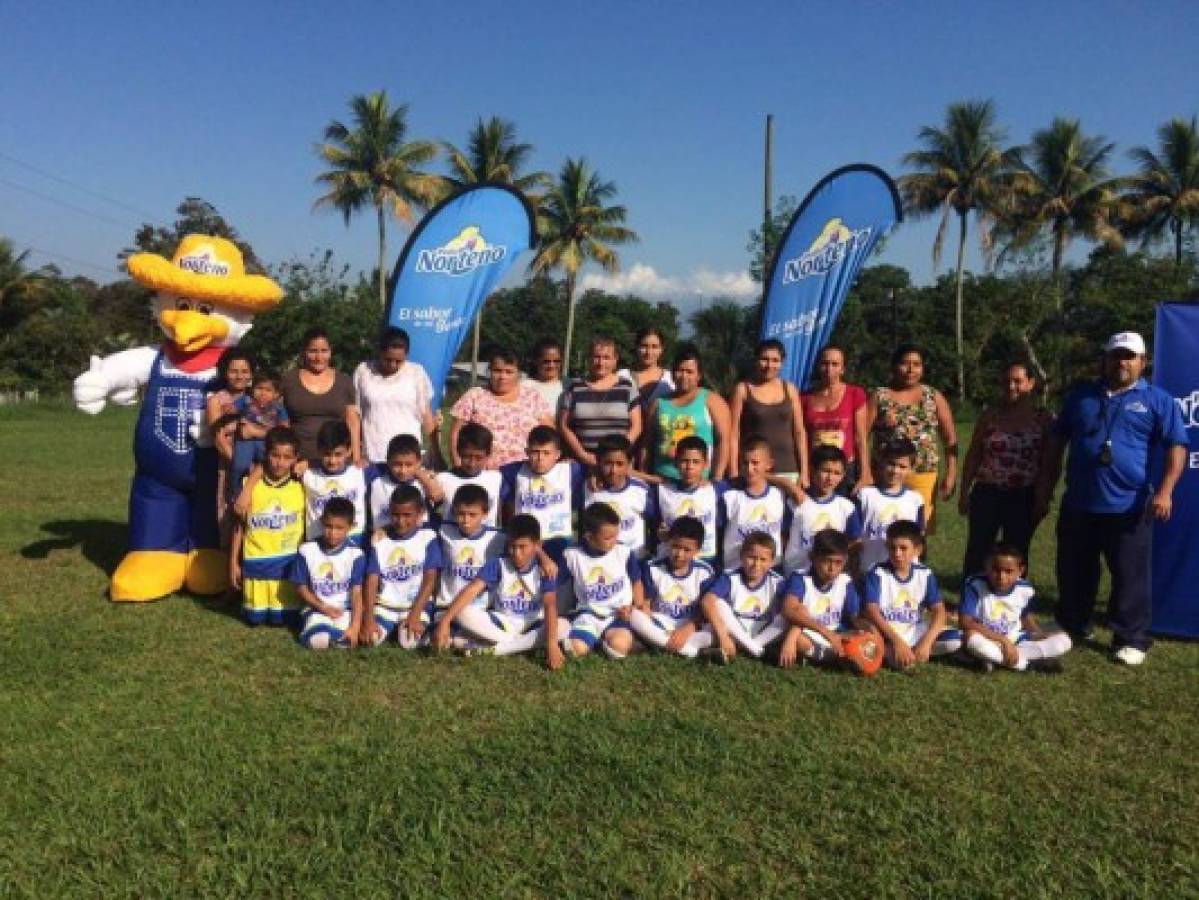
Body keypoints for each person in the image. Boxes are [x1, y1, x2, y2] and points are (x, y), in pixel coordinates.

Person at [1035, 331, 1187, 666]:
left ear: (1143, 362)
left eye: (1129, 356)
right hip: (1080, 502)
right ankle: (1073, 623)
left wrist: (1165, 492)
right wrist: (1046, 488)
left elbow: (1177, 446)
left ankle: (1131, 637)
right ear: (1104, 359)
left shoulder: (1158, 400)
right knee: (1074, 570)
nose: (1122, 362)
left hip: (1129, 507)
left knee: (1129, 576)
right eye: (1116, 355)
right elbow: (1057, 443)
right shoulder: (1081, 398)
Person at [432, 514, 565, 669]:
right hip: (503, 623)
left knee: (563, 626)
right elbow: (471, 589)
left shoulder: (545, 568)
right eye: (512, 546)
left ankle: (492, 650)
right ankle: (521, 644)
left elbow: (550, 605)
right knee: (462, 613)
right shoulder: (498, 564)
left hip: (534, 623)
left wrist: (552, 644)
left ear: (537, 545)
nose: (516, 553)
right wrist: (445, 621)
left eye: (522, 547)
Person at [958, 362, 1053, 577]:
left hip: (1023, 495)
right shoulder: (989, 416)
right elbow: (973, 455)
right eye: (1006, 381)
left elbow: (1048, 463)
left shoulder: (1043, 419)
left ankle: (1013, 602)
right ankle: (972, 598)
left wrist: (1043, 497)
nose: (1011, 386)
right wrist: (964, 492)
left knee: (1017, 550)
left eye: (1017, 381)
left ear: (1030, 383)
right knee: (978, 548)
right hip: (987, 492)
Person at [867, 345, 957, 532]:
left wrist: (951, 474)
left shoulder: (933, 396)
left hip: (923, 474)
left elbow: (950, 439)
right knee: (884, 525)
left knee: (918, 531)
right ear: (894, 366)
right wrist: (866, 471)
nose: (910, 370)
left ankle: (917, 562)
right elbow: (861, 436)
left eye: (916, 364)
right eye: (904, 364)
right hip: (886, 474)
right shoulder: (880, 396)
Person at [405, 484, 506, 646]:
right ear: (453, 512)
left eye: (473, 515)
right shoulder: (444, 529)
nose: (466, 520)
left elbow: (527, 541)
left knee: (462, 626)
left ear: (485, 514)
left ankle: (466, 638)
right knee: (418, 643)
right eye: (461, 514)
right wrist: (384, 530)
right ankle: (462, 638)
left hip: (478, 610)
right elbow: (407, 526)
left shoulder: (498, 537)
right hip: (445, 605)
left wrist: (544, 559)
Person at [228, 426, 305, 627]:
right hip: (256, 567)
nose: (280, 463)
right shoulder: (249, 486)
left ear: (296, 458)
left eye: (287, 457)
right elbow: (239, 527)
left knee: (283, 620)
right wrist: (233, 562)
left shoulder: (302, 485)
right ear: (266, 454)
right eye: (275, 455)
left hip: (286, 568)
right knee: (255, 619)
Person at [859, 521, 961, 670]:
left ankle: (916, 652)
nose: (897, 553)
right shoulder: (876, 573)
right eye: (892, 548)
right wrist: (897, 642)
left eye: (903, 548)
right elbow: (871, 611)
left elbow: (939, 610)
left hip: (916, 631)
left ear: (917, 550)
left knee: (957, 640)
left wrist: (927, 641)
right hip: (887, 634)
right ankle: (899, 654)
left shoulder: (924, 574)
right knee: (893, 657)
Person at [959, 543, 1072, 674]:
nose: (1001, 576)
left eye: (1008, 571)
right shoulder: (975, 584)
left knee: (1064, 641)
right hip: (986, 638)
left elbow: (1024, 616)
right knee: (972, 640)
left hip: (1016, 641)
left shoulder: (1025, 589)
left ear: (1020, 571)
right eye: (996, 570)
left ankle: (991, 659)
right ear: (987, 566)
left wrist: (1038, 634)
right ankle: (1027, 665)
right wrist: (1003, 641)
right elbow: (966, 622)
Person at [558, 503, 645, 660]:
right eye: (608, 538)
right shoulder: (571, 555)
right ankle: (592, 639)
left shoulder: (624, 552)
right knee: (575, 650)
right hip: (588, 615)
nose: (614, 541)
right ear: (589, 536)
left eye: (616, 535)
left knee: (619, 647)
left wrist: (635, 607)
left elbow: (636, 581)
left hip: (618, 615)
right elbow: (558, 587)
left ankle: (612, 639)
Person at [361, 485, 442, 648]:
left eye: (407, 515)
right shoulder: (379, 540)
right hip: (386, 606)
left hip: (415, 605)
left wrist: (415, 613)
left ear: (420, 514)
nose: (401, 521)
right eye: (395, 515)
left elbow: (430, 580)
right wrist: (368, 619)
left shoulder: (428, 537)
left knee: (409, 643)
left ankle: (420, 629)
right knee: (370, 641)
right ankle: (390, 627)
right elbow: (371, 581)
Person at [450, 346, 554, 468]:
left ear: (519, 374)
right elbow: (455, 434)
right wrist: (458, 464)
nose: (502, 377)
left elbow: (550, 435)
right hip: (483, 472)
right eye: (497, 371)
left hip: (524, 472)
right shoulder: (474, 395)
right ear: (489, 371)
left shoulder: (532, 397)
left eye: (509, 372)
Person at [629, 516, 717, 659]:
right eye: (675, 546)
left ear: (697, 550)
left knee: (716, 628)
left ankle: (659, 644)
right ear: (668, 542)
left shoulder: (705, 571)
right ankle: (691, 651)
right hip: (660, 623)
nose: (679, 554)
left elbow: (704, 612)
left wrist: (688, 629)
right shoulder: (652, 567)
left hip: (691, 625)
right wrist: (650, 618)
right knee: (634, 615)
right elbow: (646, 605)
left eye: (687, 550)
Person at [777, 529, 864, 669]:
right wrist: (826, 633)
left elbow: (856, 618)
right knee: (799, 637)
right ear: (813, 557)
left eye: (838, 563)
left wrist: (869, 632)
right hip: (813, 635)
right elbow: (788, 609)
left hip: (839, 635)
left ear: (845, 561)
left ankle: (834, 657)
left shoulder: (845, 581)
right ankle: (839, 659)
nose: (832, 568)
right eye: (827, 561)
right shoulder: (801, 578)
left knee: (862, 638)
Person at [500, 426, 584, 565]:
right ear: (527, 452)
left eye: (546, 453)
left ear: (557, 454)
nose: (540, 458)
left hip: (558, 538)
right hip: (525, 541)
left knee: (557, 581)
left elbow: (597, 470)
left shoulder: (570, 470)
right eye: (535, 452)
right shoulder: (513, 471)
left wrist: (594, 478)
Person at [646, 342, 731, 480]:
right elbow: (647, 444)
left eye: (689, 372)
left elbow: (724, 442)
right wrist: (646, 477)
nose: (683, 376)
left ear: (699, 375)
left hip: (699, 484)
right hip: (662, 481)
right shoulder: (658, 403)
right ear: (672, 373)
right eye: (679, 370)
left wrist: (717, 479)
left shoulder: (713, 401)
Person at [353, 327, 436, 466]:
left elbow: (426, 414)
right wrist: (356, 454)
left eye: (399, 361)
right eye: (388, 359)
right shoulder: (363, 371)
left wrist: (436, 452)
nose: (393, 365)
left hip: (407, 457)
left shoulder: (416, 372)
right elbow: (355, 415)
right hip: (374, 455)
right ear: (379, 351)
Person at [700, 532, 788, 664]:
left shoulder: (778, 582)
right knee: (718, 604)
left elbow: (793, 610)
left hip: (763, 634)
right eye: (751, 557)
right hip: (734, 632)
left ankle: (742, 648)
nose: (756, 564)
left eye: (763, 559)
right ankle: (758, 651)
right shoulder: (730, 578)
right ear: (741, 556)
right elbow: (707, 601)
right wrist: (723, 636)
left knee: (788, 614)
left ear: (772, 562)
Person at [729, 339, 808, 484]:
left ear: (782, 363)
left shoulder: (790, 389)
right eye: (764, 359)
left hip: (788, 468)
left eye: (775, 360)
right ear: (756, 360)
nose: (769, 365)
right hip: (753, 470)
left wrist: (804, 472)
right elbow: (733, 433)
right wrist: (734, 469)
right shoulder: (743, 389)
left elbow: (799, 432)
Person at [292, 497, 366, 650]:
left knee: (350, 638)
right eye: (328, 526)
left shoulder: (356, 554)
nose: (332, 533)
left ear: (351, 527)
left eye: (339, 528)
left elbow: (357, 593)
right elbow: (301, 587)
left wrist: (355, 626)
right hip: (317, 608)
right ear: (321, 522)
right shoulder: (307, 550)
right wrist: (322, 607)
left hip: (344, 610)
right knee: (318, 641)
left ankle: (339, 637)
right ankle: (325, 634)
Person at [280, 327, 361, 467]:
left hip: (335, 462)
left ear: (331, 351)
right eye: (313, 351)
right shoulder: (289, 380)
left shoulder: (344, 381)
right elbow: (279, 417)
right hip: (297, 461)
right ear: (304, 352)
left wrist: (356, 457)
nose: (319, 357)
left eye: (324, 351)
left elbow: (352, 422)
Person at [559, 335, 642, 466]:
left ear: (615, 360)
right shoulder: (574, 388)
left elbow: (637, 426)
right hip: (583, 462)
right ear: (589, 359)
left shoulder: (627, 388)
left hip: (617, 463)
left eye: (606, 357)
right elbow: (564, 425)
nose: (600, 362)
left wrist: (619, 452)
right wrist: (582, 454)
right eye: (596, 357)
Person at [801, 344, 871, 493]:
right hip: (816, 471)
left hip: (845, 471)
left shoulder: (855, 394)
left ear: (842, 368)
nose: (829, 369)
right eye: (825, 363)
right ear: (818, 366)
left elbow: (861, 437)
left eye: (835, 364)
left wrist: (865, 472)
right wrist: (804, 470)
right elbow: (802, 437)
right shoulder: (804, 398)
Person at [782, 445, 863, 574]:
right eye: (826, 471)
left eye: (837, 473)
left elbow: (855, 542)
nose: (830, 478)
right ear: (812, 470)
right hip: (797, 573)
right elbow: (784, 537)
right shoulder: (794, 503)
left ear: (843, 476)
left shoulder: (846, 507)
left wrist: (834, 556)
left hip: (830, 578)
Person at [649, 436, 724, 566]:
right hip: (670, 561)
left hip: (705, 560)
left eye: (696, 462)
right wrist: (659, 533)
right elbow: (653, 524)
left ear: (706, 464)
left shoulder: (716, 489)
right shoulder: (661, 491)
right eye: (684, 461)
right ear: (676, 462)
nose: (689, 467)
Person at [718, 435, 789, 571]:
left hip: (771, 571)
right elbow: (719, 532)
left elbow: (785, 533)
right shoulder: (729, 495)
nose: (750, 468)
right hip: (735, 570)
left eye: (755, 463)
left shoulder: (779, 495)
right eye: (745, 463)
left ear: (769, 464)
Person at [207, 348, 255, 546]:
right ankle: (229, 569)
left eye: (244, 371)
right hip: (229, 468)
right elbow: (218, 438)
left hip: (256, 469)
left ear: (251, 374)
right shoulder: (216, 401)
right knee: (229, 515)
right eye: (234, 371)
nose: (239, 376)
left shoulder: (258, 398)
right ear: (225, 372)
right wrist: (240, 464)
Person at [856, 439, 925, 572]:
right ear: (882, 463)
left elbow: (918, 538)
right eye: (891, 464)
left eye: (902, 466)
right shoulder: (865, 495)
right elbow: (855, 539)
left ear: (911, 468)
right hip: (870, 570)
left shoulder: (915, 499)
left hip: (903, 573)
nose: (895, 470)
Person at [583, 435, 654, 559]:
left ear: (629, 463)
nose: (613, 470)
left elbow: (654, 522)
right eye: (608, 463)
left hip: (634, 558)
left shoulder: (641, 489)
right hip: (599, 561)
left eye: (619, 464)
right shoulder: (588, 488)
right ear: (598, 461)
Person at [301, 420, 367, 545]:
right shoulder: (307, 474)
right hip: (318, 545)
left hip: (355, 541)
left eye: (338, 454)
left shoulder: (360, 472)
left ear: (349, 451)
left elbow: (396, 465)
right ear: (318, 450)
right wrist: (310, 462)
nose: (332, 460)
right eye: (327, 454)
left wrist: (418, 474)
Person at [428, 423, 504, 528]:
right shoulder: (443, 479)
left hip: (487, 544)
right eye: (467, 457)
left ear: (488, 454)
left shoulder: (496, 479)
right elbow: (425, 511)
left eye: (478, 458)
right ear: (458, 452)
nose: (472, 463)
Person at [228, 370, 289, 494]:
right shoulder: (246, 401)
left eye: (268, 390)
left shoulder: (278, 408)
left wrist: (257, 431)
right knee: (240, 465)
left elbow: (285, 427)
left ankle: (269, 491)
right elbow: (232, 411)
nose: (263, 393)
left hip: (266, 442)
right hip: (246, 441)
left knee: (270, 465)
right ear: (252, 389)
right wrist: (230, 411)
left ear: (276, 394)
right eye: (259, 388)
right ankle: (235, 492)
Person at [367, 434, 437, 532]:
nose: (403, 470)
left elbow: (438, 496)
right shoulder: (374, 474)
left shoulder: (426, 480)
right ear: (387, 460)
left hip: (419, 538)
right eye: (397, 464)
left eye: (409, 465)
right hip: (383, 540)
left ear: (419, 462)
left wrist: (425, 479)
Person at [620, 326, 675, 410]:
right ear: (636, 347)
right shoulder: (623, 376)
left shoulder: (671, 379)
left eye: (654, 347)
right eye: (644, 346)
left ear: (661, 349)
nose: (649, 352)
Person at [525, 337, 566, 412]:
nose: (552, 365)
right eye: (546, 361)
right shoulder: (524, 386)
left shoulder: (568, 386)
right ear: (536, 361)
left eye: (556, 361)